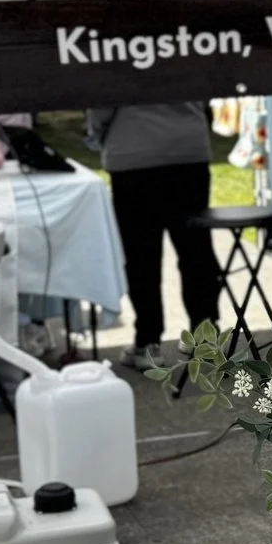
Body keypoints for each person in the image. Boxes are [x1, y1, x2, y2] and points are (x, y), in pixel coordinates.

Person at [86, 101, 221, 364]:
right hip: (188, 148)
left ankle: (148, 342)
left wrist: (98, 134)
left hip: (132, 151)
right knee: (195, 250)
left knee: (141, 255)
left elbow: (101, 101)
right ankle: (205, 335)